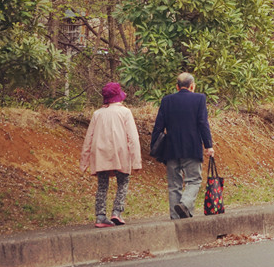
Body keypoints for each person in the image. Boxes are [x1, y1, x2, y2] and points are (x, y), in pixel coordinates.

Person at [151, 72, 215, 219]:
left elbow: (158, 126)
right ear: (192, 86)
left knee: (174, 184)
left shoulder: (167, 100)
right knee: (194, 180)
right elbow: (203, 123)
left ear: (177, 86)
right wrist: (208, 145)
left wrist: (155, 147)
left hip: (171, 149)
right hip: (192, 147)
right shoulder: (199, 98)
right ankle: (185, 205)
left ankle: (176, 217)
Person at [80, 82, 142, 228]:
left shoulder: (97, 114)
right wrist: (136, 161)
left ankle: (100, 216)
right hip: (120, 152)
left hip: (100, 152)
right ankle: (117, 212)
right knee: (123, 182)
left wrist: (84, 161)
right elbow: (133, 138)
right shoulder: (125, 112)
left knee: (102, 185)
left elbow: (89, 138)